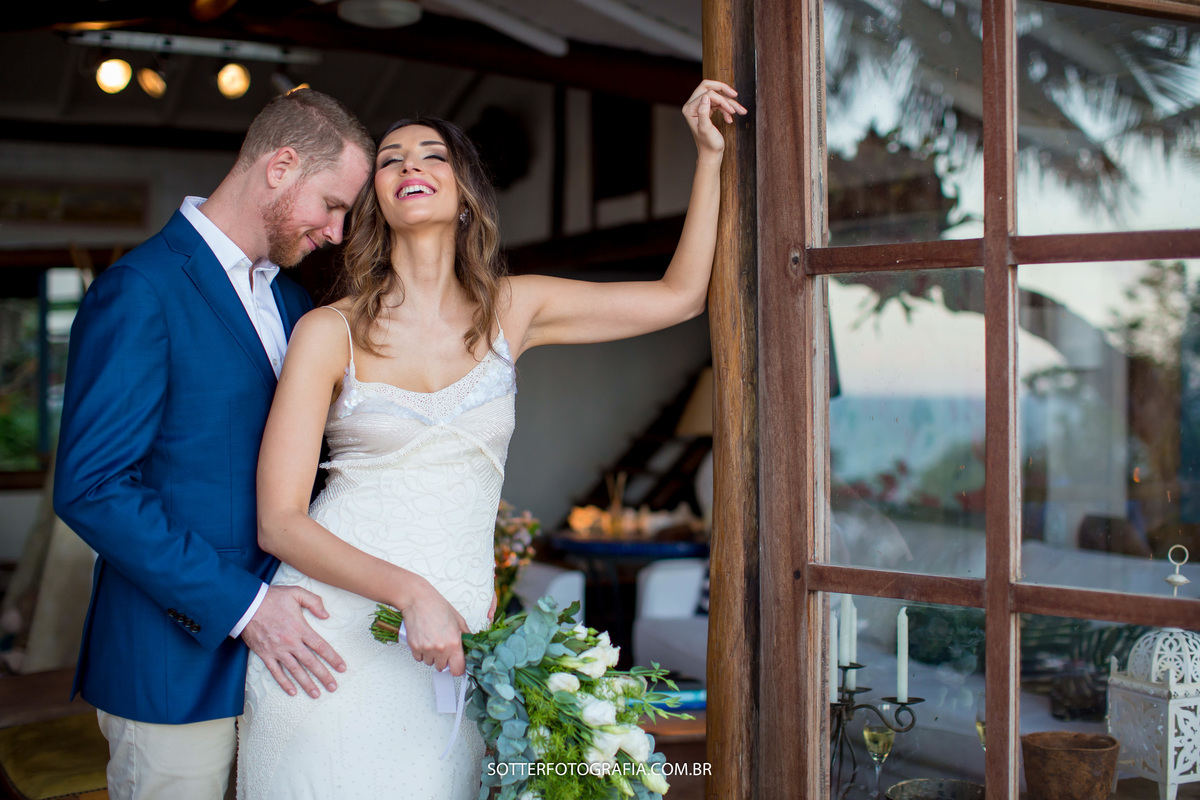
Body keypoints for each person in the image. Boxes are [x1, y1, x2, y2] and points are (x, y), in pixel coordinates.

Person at [238, 80, 745, 799]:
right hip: (327, 640)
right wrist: (411, 593)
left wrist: (709, 156)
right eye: (390, 159)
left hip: (454, 644)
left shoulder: (516, 308)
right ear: (374, 199)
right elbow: (279, 520)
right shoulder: (328, 331)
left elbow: (680, 296)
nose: (409, 165)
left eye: (431, 154)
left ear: (465, 194)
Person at [52, 89, 375, 800]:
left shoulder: (292, 302)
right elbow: (94, 489)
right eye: (332, 204)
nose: (337, 232)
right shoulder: (140, 289)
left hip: (291, 661)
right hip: (168, 662)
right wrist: (248, 608)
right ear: (280, 167)